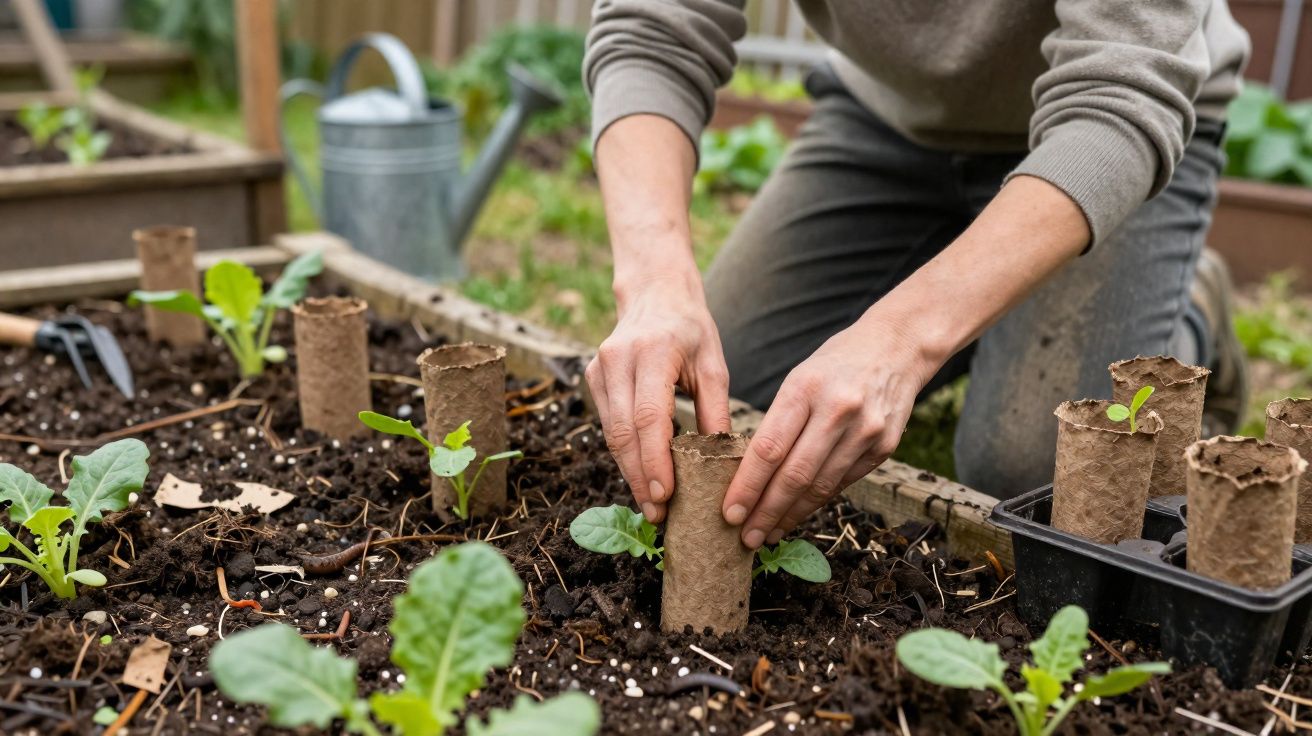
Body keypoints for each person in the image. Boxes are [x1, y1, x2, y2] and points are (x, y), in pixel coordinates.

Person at [581, 0, 1252, 551]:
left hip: (1112, 135)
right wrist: (654, 284)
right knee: (733, 391)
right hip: (890, 122)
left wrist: (903, 339)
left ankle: (1188, 312)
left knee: (1035, 468)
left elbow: (1124, 90)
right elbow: (652, 29)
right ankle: (995, 314)